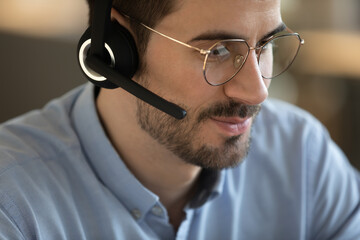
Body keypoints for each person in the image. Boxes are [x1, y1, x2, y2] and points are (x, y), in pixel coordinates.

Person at [0, 0, 359, 239]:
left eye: (266, 46)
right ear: (111, 49)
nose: (257, 91)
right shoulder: (14, 207)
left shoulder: (303, 158)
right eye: (217, 51)